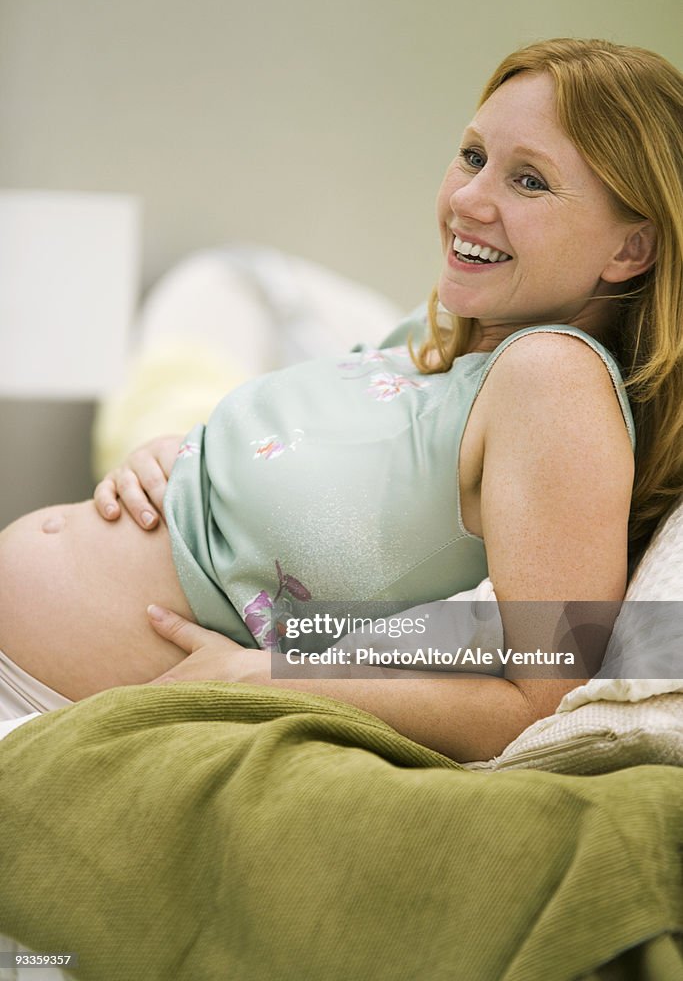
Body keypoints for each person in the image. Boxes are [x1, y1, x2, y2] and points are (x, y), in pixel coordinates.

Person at [1, 38, 681, 763]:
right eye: (474, 157)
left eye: (529, 182)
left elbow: (543, 690)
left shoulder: (553, 380)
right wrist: (171, 458)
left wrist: (264, 675)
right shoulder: (434, 340)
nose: (467, 200)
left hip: (44, 698)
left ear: (630, 249)